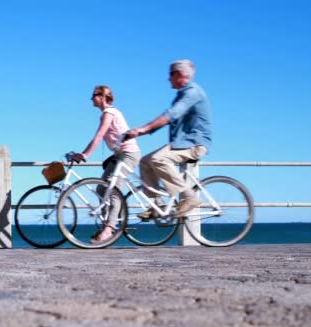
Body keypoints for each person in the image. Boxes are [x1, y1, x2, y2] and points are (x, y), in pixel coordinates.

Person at [125, 59, 212, 219]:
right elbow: (166, 120)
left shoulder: (192, 93)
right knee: (145, 161)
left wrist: (143, 129)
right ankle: (156, 205)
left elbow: (170, 116)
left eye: (170, 75)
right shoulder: (182, 94)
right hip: (181, 144)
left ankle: (189, 196)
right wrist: (140, 132)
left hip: (195, 144)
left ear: (178, 74)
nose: (168, 79)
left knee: (159, 159)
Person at [71, 85, 141, 243]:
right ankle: (110, 220)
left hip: (128, 155)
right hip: (118, 155)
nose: (91, 99)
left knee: (113, 190)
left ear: (103, 96)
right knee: (102, 187)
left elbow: (99, 135)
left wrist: (85, 154)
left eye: (94, 95)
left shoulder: (109, 113)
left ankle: (109, 229)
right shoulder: (106, 114)